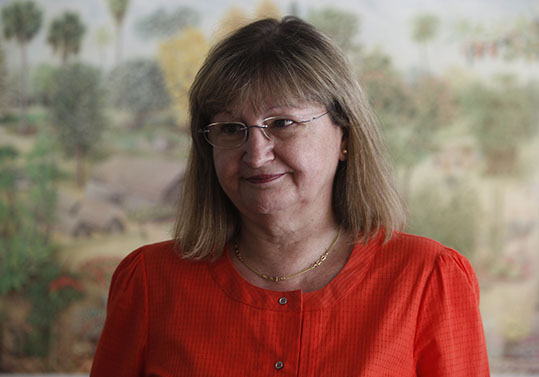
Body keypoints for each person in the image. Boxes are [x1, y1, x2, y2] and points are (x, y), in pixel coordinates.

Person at [90, 16, 489, 376]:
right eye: (230, 129)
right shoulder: (148, 282)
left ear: (344, 137)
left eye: (282, 123)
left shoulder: (428, 279)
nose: (256, 154)